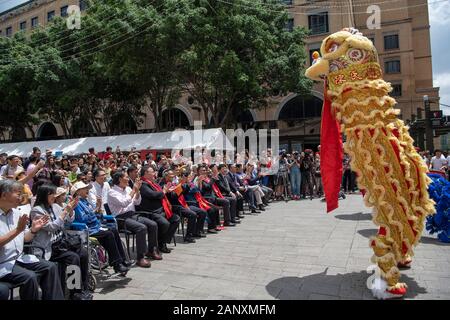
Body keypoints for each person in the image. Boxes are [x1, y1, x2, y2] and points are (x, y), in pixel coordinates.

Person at [0, 179, 64, 300]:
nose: (21, 197)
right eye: (18, 194)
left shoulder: (16, 213)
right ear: (4, 195)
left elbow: (25, 238)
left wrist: (33, 230)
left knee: (50, 267)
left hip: (19, 258)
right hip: (3, 264)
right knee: (29, 277)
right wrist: (17, 230)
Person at [30, 184, 92, 300]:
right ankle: (74, 292)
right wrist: (65, 212)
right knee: (73, 258)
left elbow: (68, 220)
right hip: (48, 247)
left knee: (83, 253)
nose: (54, 196)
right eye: (51, 194)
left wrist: (71, 210)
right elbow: (52, 227)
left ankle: (83, 287)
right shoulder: (37, 210)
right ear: (45, 195)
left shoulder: (55, 206)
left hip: (61, 243)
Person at [72, 181, 130, 275]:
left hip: (95, 226)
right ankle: (116, 263)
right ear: (78, 192)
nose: (87, 190)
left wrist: (98, 207)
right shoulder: (76, 203)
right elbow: (82, 219)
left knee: (113, 230)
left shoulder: (85, 202)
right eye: (85, 189)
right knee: (108, 234)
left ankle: (122, 260)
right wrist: (94, 212)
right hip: (87, 230)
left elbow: (95, 216)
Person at [108, 171, 159, 267]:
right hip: (121, 219)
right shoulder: (112, 192)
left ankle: (151, 250)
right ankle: (140, 257)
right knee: (141, 228)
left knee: (153, 224)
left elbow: (136, 202)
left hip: (132, 215)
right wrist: (134, 190)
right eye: (126, 177)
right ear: (120, 179)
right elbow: (124, 203)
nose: (128, 179)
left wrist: (137, 192)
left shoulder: (127, 189)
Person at [138, 166, 180, 254]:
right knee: (165, 223)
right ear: (146, 173)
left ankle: (163, 242)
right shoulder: (143, 184)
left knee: (176, 219)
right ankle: (159, 244)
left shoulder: (153, 183)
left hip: (160, 209)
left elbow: (160, 192)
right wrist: (164, 191)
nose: (154, 173)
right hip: (151, 211)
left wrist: (166, 191)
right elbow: (152, 195)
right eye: (152, 171)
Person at [161, 169, 206, 243]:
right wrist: (180, 186)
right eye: (171, 176)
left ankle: (197, 232)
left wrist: (185, 184)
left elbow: (184, 193)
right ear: (166, 176)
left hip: (182, 204)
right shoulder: (163, 184)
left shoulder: (173, 183)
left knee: (202, 212)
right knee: (192, 215)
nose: (173, 177)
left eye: (173, 176)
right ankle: (188, 236)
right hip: (172, 206)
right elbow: (173, 196)